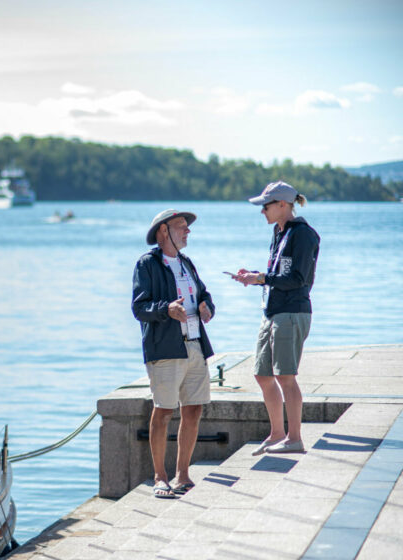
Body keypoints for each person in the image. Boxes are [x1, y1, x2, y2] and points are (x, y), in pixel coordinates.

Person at [231, 181, 320, 455]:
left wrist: (261, 278)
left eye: (265, 206)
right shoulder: (278, 232)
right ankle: (277, 434)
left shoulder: (303, 235)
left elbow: (297, 279)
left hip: (292, 312)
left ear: (283, 205)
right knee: (262, 375)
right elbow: (278, 274)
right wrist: (256, 277)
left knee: (286, 377)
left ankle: (294, 439)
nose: (262, 211)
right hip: (273, 311)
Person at [132, 209, 215, 499]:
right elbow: (139, 308)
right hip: (166, 349)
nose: (188, 231)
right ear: (163, 231)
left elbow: (204, 294)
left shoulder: (186, 263)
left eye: (187, 227)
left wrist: (206, 307)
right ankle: (159, 477)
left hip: (194, 345)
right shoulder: (147, 264)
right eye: (182, 226)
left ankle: (183, 475)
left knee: (194, 409)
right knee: (164, 412)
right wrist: (167, 309)